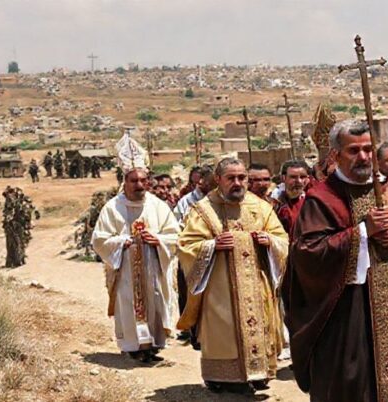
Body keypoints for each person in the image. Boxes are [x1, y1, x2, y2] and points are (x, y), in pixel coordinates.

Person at [283, 119, 388, 402]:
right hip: (346, 311)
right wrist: (362, 233)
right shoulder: (321, 198)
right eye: (353, 150)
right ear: (336, 155)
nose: (363, 157)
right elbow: (306, 253)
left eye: (368, 149)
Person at [178, 157, 289, 394]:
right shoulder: (203, 210)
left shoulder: (259, 206)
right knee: (224, 331)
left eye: (242, 178)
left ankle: (259, 372)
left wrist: (269, 241)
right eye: (231, 178)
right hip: (220, 290)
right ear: (218, 180)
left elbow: (283, 239)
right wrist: (211, 246)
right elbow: (186, 245)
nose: (238, 183)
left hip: (258, 285)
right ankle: (222, 377)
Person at [91, 135, 180, 363]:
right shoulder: (112, 208)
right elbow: (100, 239)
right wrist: (122, 242)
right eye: (134, 181)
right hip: (126, 271)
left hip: (153, 267)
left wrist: (158, 239)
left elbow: (174, 234)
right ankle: (134, 347)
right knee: (129, 304)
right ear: (125, 181)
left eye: (143, 180)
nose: (139, 185)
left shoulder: (157, 206)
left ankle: (153, 345)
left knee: (156, 302)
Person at [171, 165, 215, 348]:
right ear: (201, 182)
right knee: (189, 293)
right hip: (191, 255)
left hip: (214, 254)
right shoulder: (186, 202)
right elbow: (178, 227)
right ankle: (191, 330)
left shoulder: (218, 200)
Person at [274, 160, 310, 237]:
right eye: (293, 177)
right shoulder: (274, 202)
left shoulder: (313, 202)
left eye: (303, 177)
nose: (299, 181)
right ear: (283, 178)